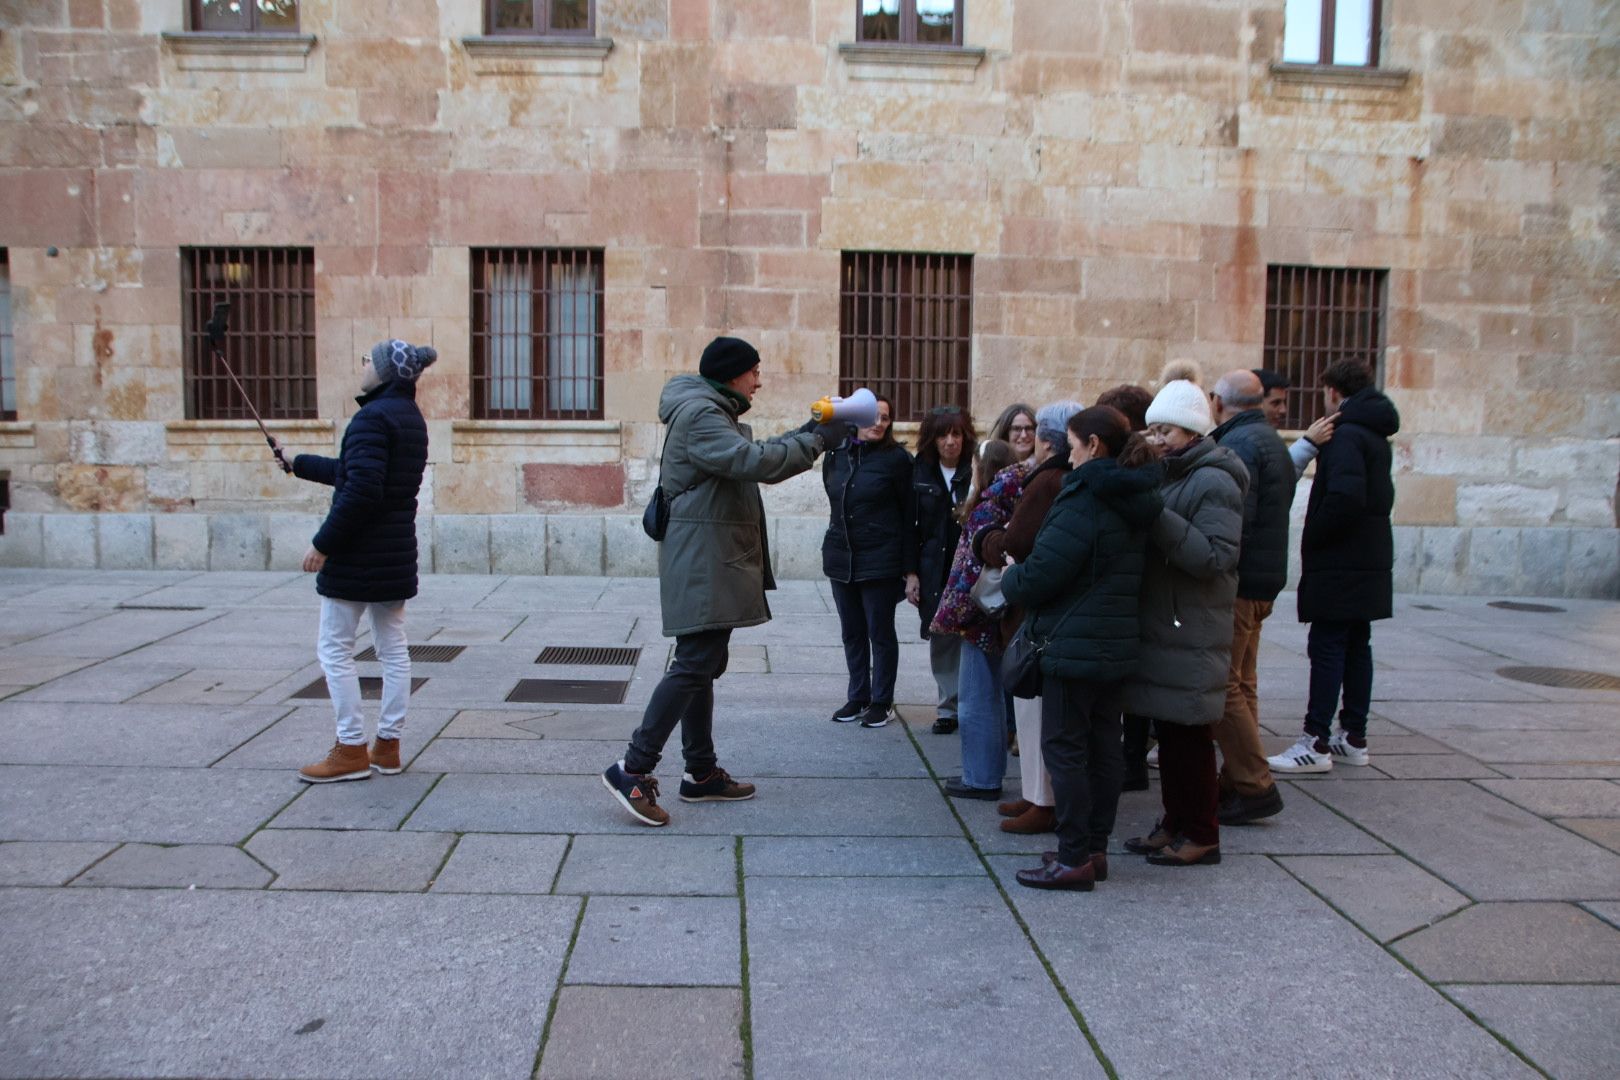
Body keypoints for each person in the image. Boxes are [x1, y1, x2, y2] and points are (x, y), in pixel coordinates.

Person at [604, 337, 849, 827]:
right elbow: (754, 463)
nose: (759, 381)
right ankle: (632, 767)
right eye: (754, 372)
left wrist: (810, 428)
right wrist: (820, 439)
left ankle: (700, 773)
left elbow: (752, 451)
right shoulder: (701, 415)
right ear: (732, 375)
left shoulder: (707, 410)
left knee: (703, 660)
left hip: (707, 555)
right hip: (702, 559)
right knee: (695, 663)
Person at [1000, 406, 1163, 891]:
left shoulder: (1084, 497)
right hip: (1113, 643)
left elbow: (1043, 573)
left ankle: (1073, 857)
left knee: (1065, 749)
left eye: (1071, 445)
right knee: (1102, 748)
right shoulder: (1135, 495)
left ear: (1094, 445)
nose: (1066, 456)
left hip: (1073, 646)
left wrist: (1012, 577)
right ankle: (1094, 849)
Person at [279, 339, 436, 784]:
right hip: (394, 555)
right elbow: (355, 471)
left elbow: (361, 489)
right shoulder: (408, 418)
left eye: (369, 360)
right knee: (393, 650)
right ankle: (387, 746)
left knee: (334, 648)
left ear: (386, 372)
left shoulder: (372, 417)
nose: (363, 365)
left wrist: (323, 544)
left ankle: (350, 748)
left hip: (359, 556)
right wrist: (297, 462)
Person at [1120, 380, 1246, 868]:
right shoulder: (1174, 473)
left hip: (1191, 627)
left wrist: (1157, 517)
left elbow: (1215, 557)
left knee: (1191, 739)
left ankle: (1202, 832)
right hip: (1168, 625)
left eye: (1165, 430)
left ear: (1192, 431)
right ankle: (1174, 822)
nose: (1155, 439)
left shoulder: (1214, 479)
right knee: (1170, 737)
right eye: (1152, 430)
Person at [1267, 360, 1401, 775]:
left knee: (1327, 648)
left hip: (1341, 561)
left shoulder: (1345, 437)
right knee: (1357, 645)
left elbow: (1345, 497)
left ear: (1332, 392)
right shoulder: (1375, 434)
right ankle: (1353, 736)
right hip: (1368, 557)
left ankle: (1316, 741)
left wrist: (1315, 536)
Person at [976, 400, 1083, 834]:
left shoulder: (1047, 480)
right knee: (1033, 713)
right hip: (1045, 610)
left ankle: (1044, 801)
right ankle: (1035, 794)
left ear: (1045, 438)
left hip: (1035, 613)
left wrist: (987, 536)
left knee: (1036, 713)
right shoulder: (1059, 477)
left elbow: (1016, 542)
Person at [1209, 371, 1293, 825]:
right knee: (1242, 682)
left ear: (1218, 401)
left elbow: (1235, 520)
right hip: (1262, 580)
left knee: (1225, 685)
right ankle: (1236, 777)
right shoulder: (1269, 439)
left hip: (1241, 584)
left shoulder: (1240, 444)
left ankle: (1254, 784)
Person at [931, 439, 1023, 798]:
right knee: (990, 698)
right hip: (999, 613)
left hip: (980, 616)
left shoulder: (987, 507)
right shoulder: (1015, 498)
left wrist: (953, 614)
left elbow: (968, 571)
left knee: (976, 699)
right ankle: (985, 773)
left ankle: (981, 778)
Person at [822, 394, 914, 729]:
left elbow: (909, 517)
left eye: (886, 418)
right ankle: (858, 695)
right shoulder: (836, 456)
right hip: (841, 557)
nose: (878, 423)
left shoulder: (898, 460)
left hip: (881, 559)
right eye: (873, 416)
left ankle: (881, 700)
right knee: (852, 632)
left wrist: (909, 569)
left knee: (880, 632)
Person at [1094, 384, 1156, 785]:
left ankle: (1129, 760)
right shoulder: (1143, 468)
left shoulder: (1126, 473)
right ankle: (1129, 759)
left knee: (1128, 684)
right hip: (1136, 586)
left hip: (1131, 588)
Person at [909, 406, 977, 735]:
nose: (950, 442)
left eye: (956, 434)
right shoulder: (919, 471)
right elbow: (908, 526)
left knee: (972, 637)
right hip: (933, 567)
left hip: (968, 567)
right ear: (932, 440)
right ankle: (947, 706)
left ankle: (972, 704)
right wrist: (911, 574)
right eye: (943, 435)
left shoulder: (976, 469)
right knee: (942, 637)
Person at [1254, 368, 1339, 479]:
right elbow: (1276, 481)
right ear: (1255, 403)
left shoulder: (1263, 436)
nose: (1283, 410)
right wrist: (1308, 443)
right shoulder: (1243, 440)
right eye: (1275, 403)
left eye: (1284, 402)